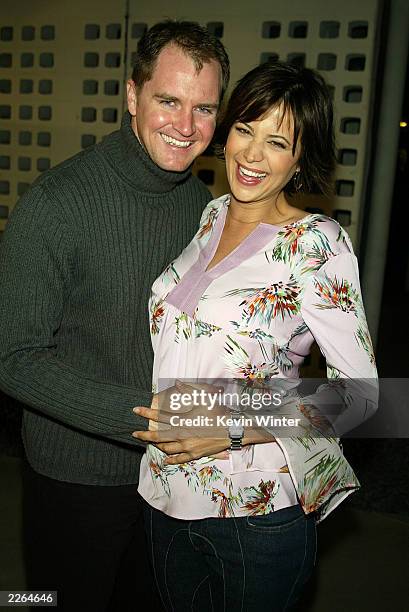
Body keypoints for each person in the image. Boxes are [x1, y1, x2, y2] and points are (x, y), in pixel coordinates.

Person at [0, 21, 229, 612]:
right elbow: (13, 357)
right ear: (132, 96)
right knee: (48, 600)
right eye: (168, 100)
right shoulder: (56, 203)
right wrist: (151, 420)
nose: (185, 126)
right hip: (76, 473)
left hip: (172, 477)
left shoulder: (203, 207)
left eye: (204, 108)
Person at [133, 61, 378, 611]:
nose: (250, 154)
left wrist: (229, 429)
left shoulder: (318, 245)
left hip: (254, 513)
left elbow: (363, 397)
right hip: (163, 493)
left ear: (299, 159)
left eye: (277, 141)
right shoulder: (210, 214)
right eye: (245, 129)